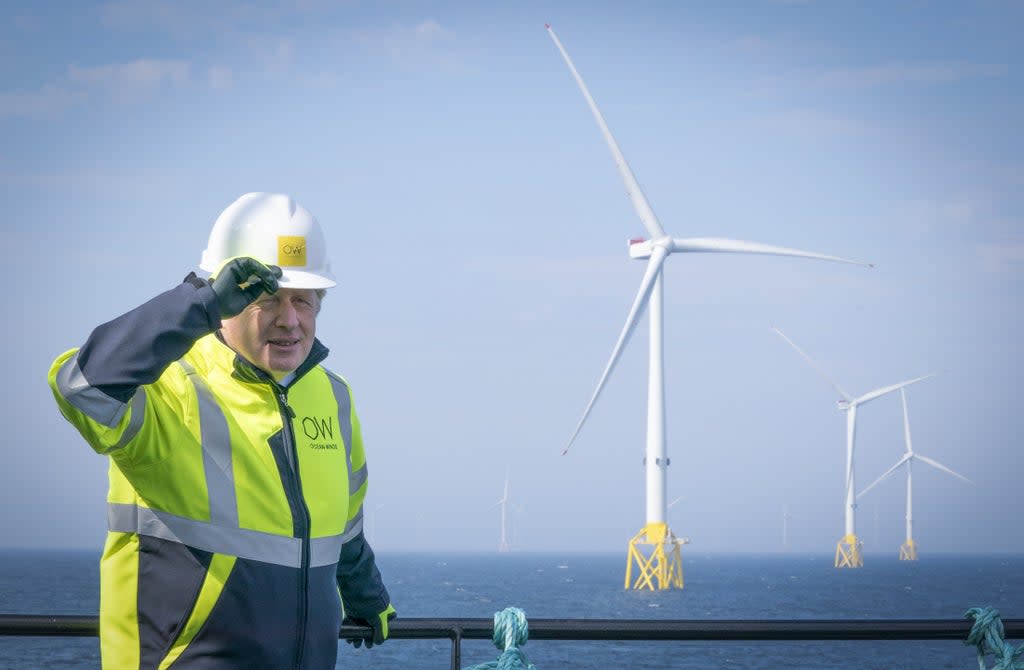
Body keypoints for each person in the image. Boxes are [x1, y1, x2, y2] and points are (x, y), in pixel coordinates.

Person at [48, 192, 395, 669]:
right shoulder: (170, 386)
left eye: (304, 301)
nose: (289, 319)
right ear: (228, 299)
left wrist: (364, 593)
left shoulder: (332, 396)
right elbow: (80, 387)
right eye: (267, 298)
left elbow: (345, 520)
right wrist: (197, 304)